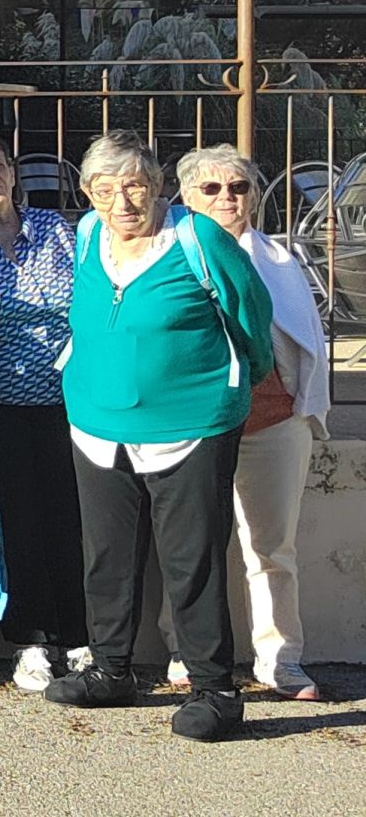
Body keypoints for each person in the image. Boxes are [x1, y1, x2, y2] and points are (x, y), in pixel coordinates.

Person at [45, 134, 273, 743]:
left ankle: (215, 691)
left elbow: (252, 321)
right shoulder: (89, 235)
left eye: (135, 185)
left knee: (191, 560)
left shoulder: (199, 239)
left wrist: (228, 385)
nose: (121, 201)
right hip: (96, 424)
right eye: (104, 189)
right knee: (107, 554)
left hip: (190, 425)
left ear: (159, 186)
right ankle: (111, 670)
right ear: (88, 194)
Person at [177, 143, 331, 702]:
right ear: (187, 196)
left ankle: (282, 660)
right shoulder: (169, 256)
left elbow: (305, 342)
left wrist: (303, 406)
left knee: (272, 549)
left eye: (238, 187)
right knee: (190, 545)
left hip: (271, 423)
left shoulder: (282, 262)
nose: (226, 198)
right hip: (190, 423)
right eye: (211, 188)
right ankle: (185, 653)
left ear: (254, 196)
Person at [0, 131, 88, 692]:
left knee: (71, 520)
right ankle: (30, 640)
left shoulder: (53, 228)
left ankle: (79, 636)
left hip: (66, 398)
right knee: (17, 522)